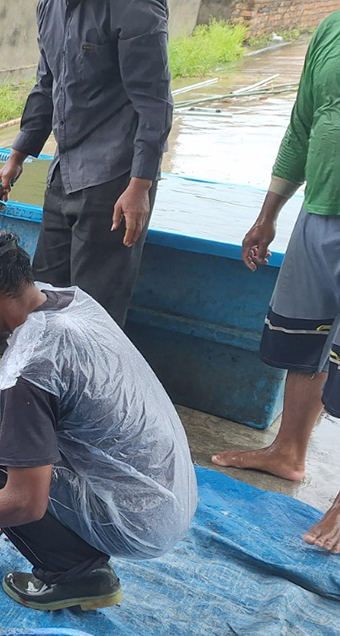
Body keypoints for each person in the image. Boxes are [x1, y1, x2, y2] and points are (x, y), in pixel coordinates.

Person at [0, 222, 197, 611]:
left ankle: (76, 574)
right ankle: (77, 556)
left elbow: (26, 502)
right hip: (168, 494)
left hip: (137, 522)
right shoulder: (64, 301)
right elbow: (10, 367)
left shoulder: (32, 369)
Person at [211, 12, 340, 553]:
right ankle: (287, 451)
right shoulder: (331, 28)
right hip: (318, 212)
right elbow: (303, 124)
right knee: (302, 339)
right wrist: (269, 213)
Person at [0, 0, 173, 326]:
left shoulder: (134, 7)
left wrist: (140, 186)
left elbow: (154, 104)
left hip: (116, 179)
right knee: (44, 294)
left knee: (95, 307)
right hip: (64, 171)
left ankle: (93, 377)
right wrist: (16, 157)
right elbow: (46, 86)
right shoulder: (49, 7)